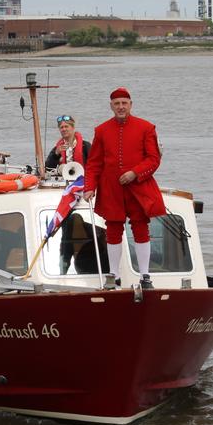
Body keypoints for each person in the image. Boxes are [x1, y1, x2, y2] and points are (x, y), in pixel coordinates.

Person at [83, 87, 165, 288]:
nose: (121, 107)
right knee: (112, 229)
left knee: (141, 228)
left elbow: (153, 159)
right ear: (111, 106)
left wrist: (134, 173)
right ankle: (114, 275)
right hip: (111, 188)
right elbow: (94, 163)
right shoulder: (101, 130)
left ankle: (145, 276)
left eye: (124, 103)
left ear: (130, 105)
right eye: (117, 104)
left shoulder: (146, 127)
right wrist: (89, 187)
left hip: (139, 186)